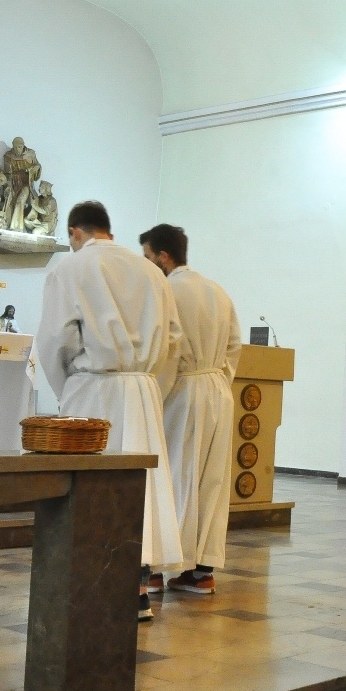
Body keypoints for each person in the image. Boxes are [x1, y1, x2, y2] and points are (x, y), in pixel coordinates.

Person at [37, 201, 183, 622]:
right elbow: (174, 340)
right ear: (109, 231)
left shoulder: (71, 267)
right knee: (142, 488)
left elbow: (56, 339)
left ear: (75, 232)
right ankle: (137, 588)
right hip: (143, 390)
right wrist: (151, 385)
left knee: (93, 489)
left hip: (93, 390)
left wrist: (68, 387)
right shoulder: (151, 272)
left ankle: (99, 585)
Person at [141, 223, 242, 597]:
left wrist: (155, 394)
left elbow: (166, 350)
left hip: (182, 391)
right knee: (210, 482)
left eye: (148, 257)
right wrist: (218, 380)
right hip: (217, 390)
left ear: (164, 256)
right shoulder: (217, 290)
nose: (147, 264)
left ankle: (154, 571)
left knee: (171, 479)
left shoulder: (167, 290)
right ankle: (201, 573)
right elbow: (234, 346)